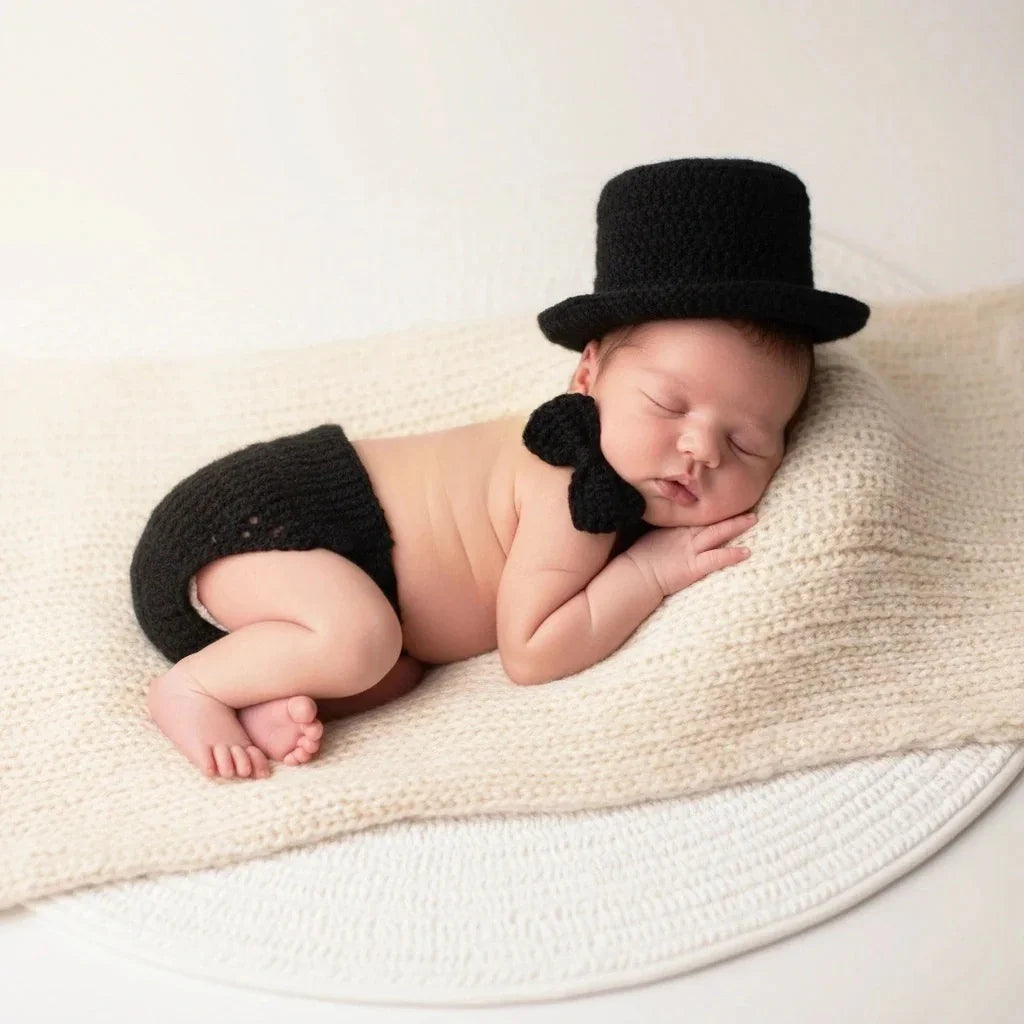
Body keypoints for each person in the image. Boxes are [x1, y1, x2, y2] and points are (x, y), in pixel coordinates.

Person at [130, 157, 871, 780]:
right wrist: (651, 573)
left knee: (391, 671)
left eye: (746, 444)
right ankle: (190, 687)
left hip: (308, 581)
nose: (701, 449)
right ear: (587, 378)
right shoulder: (575, 483)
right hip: (267, 520)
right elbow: (532, 651)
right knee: (360, 643)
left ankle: (256, 680)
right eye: (667, 404)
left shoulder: (624, 470)